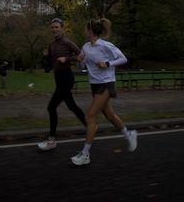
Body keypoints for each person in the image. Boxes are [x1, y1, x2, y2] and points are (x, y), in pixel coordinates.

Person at [71, 18, 138, 166]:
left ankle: (85, 154)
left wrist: (107, 63)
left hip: (106, 84)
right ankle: (129, 134)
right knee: (110, 115)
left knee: (90, 116)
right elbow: (81, 65)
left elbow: (123, 59)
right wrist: (79, 59)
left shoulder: (105, 45)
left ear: (91, 31)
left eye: (85, 29)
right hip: (95, 85)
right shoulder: (85, 46)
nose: (84, 31)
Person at [38, 18, 87, 151]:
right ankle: (90, 126)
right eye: (52, 27)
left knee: (51, 107)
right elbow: (48, 68)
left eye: (57, 27)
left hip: (67, 77)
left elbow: (82, 56)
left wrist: (67, 58)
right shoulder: (52, 45)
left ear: (62, 28)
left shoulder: (67, 42)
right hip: (58, 78)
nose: (54, 29)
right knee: (71, 106)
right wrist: (44, 57)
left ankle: (52, 140)